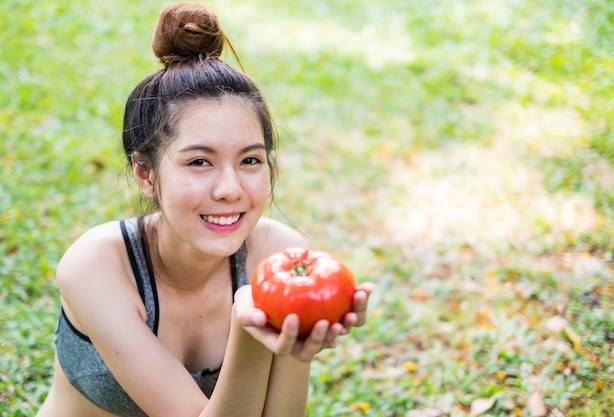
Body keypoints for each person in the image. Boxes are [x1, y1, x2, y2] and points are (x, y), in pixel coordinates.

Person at [35, 3, 374, 417]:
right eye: (199, 162)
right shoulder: (97, 266)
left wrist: (293, 347)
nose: (231, 189)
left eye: (250, 160)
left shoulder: (279, 257)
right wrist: (250, 329)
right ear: (145, 174)